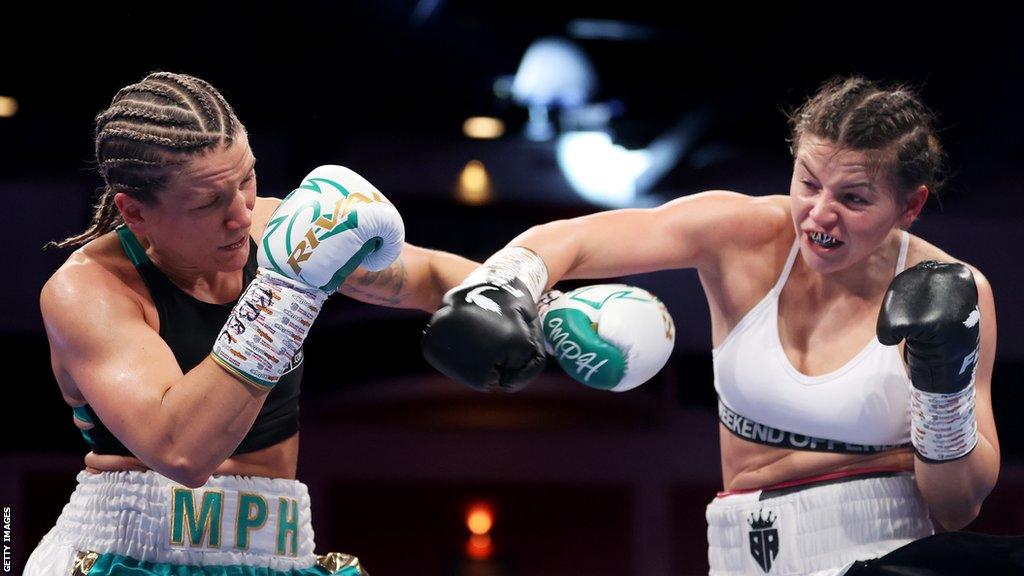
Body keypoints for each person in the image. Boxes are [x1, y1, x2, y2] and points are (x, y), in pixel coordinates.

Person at [422, 77, 1006, 575]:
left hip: (883, 548)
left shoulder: (951, 291)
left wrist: (942, 396)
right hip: (736, 549)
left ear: (910, 207)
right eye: (808, 182)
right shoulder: (742, 234)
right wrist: (503, 285)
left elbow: (956, 509)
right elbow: (575, 239)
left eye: (853, 198)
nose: (820, 213)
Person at [27, 71, 477, 576]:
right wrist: (287, 293)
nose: (240, 214)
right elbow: (182, 452)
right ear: (135, 213)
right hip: (129, 553)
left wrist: (533, 298)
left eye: (245, 179)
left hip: (281, 551)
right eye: (207, 202)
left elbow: (431, 276)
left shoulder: (280, 232)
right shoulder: (89, 290)